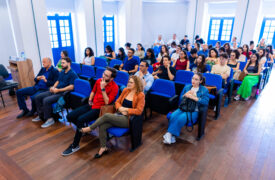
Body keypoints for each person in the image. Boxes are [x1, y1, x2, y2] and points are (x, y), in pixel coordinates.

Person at [80, 76, 145, 158]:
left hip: (128, 119)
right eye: (128, 81)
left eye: (131, 82)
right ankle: (103, 147)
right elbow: (117, 102)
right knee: (103, 125)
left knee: (106, 115)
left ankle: (90, 128)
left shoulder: (140, 95)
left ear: (136, 84)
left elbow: (139, 111)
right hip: (119, 114)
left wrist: (127, 110)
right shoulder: (125, 90)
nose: (128, 83)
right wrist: (120, 108)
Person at [62, 67, 119, 156]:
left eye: (106, 75)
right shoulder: (98, 80)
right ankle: (82, 130)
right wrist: (90, 99)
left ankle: (75, 145)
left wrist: (103, 88)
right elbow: (93, 91)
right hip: (92, 105)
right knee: (70, 116)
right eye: (104, 73)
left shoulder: (115, 87)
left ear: (111, 78)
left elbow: (107, 102)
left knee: (80, 119)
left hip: (101, 109)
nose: (103, 76)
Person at [163, 73, 209, 144]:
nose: (193, 80)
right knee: (173, 116)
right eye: (193, 78)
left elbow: (205, 102)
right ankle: (171, 135)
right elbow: (181, 98)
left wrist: (194, 97)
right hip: (184, 107)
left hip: (194, 110)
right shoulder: (187, 87)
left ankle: (169, 134)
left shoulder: (204, 90)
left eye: (196, 79)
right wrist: (186, 95)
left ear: (200, 81)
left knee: (181, 118)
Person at [33, 57, 78, 128]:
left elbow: (71, 87)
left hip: (63, 94)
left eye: (63, 63)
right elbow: (58, 81)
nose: (61, 65)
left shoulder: (73, 74)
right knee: (38, 97)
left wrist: (58, 90)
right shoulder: (63, 72)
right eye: (61, 63)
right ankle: (41, 115)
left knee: (46, 100)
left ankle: (50, 119)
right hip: (56, 90)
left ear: (69, 63)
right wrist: (53, 87)